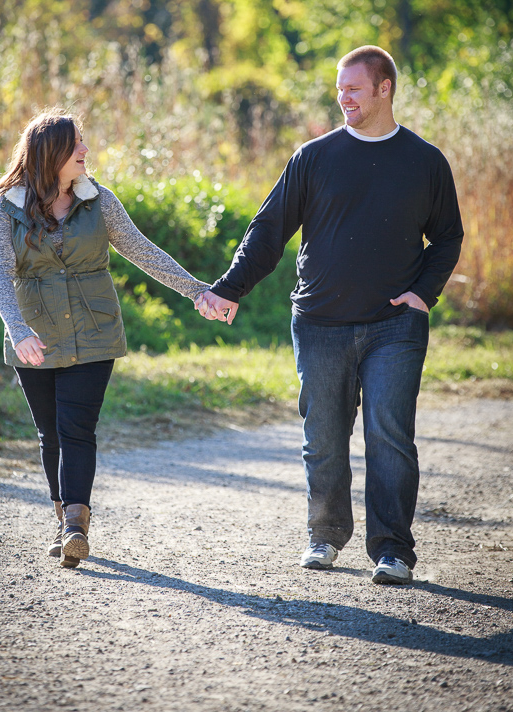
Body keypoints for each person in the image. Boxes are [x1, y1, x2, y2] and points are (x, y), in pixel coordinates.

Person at [195, 46, 463, 585]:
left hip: (395, 326)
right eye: (339, 88)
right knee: (323, 435)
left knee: (389, 433)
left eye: (354, 89)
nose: (343, 97)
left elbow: (449, 235)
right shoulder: (314, 157)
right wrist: (230, 288)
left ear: (385, 88)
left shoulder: (424, 160)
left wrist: (423, 294)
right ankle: (325, 536)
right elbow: (268, 231)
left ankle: (392, 550)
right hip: (319, 322)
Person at [0, 109, 209, 568]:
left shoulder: (99, 199)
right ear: (51, 154)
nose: (85, 151)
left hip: (95, 332)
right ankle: (62, 519)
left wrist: (197, 289)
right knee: (50, 435)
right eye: (76, 144)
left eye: (83, 142)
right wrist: (17, 330)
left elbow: (142, 250)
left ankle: (75, 530)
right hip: (34, 337)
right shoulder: (7, 207)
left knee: (76, 429)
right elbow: (0, 277)